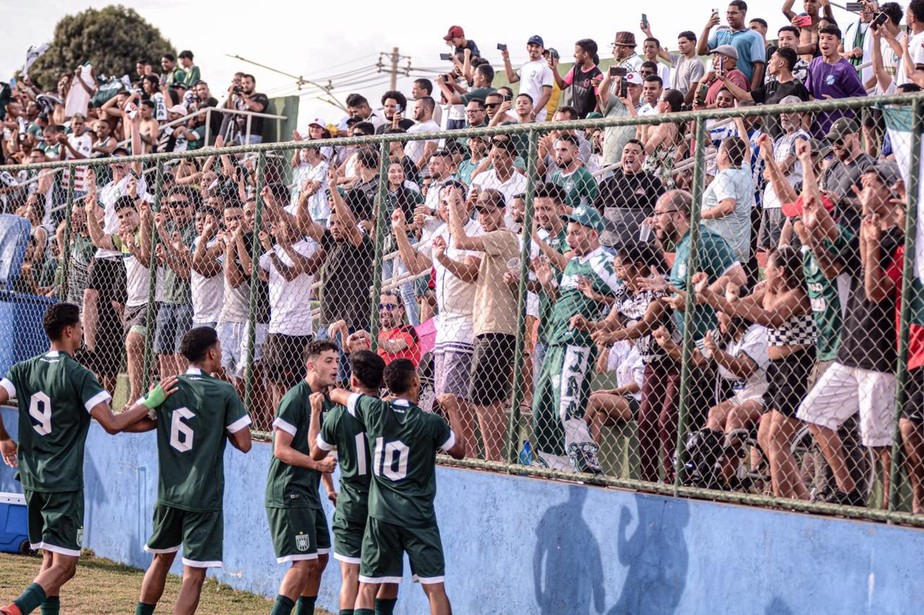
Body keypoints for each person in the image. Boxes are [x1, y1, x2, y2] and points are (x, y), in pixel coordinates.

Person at [0, 303, 177, 615]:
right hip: (63, 481)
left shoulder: (23, 368)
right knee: (65, 566)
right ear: (69, 331)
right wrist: (152, 400)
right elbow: (112, 423)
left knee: (50, 559)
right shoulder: (79, 374)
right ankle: (15, 610)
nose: (83, 333)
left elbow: (116, 422)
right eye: (80, 328)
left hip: (31, 477)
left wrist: (3, 438)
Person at [325, 359, 466, 615]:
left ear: (386, 386)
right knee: (434, 589)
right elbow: (459, 450)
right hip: (418, 517)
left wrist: (337, 392)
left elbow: (340, 394)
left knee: (367, 586)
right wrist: (454, 411)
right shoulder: (430, 422)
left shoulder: (374, 410)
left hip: (381, 515)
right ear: (415, 382)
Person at [134, 326, 252, 615]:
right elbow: (245, 443)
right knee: (194, 574)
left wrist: (154, 410)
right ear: (211, 353)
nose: (222, 352)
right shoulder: (224, 391)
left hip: (169, 493)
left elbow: (133, 422)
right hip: (203, 495)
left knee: (160, 560)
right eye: (220, 348)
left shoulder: (168, 386)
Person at [695, 247, 816, 500]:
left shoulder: (797, 295)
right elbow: (734, 310)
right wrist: (707, 294)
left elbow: (772, 319)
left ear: (781, 271)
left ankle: (780, 500)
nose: (765, 272)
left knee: (776, 438)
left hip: (797, 368)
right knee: (764, 436)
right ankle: (803, 497)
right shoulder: (766, 293)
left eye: (768, 268)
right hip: (778, 372)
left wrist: (736, 302)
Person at [308, 351, 400, 615]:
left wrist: (316, 414)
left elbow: (315, 452)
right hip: (383, 503)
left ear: (354, 379)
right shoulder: (389, 412)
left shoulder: (337, 416)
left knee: (351, 577)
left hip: (351, 502)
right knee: (383, 577)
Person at [532, 205, 622, 473]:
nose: (569, 239)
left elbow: (627, 296)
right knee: (542, 404)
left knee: (567, 404)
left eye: (576, 233)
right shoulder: (573, 262)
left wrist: (599, 303)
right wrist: (548, 283)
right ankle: (556, 463)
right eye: (569, 233)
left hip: (577, 342)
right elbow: (564, 299)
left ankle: (586, 463)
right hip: (555, 339)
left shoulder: (605, 262)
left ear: (593, 234)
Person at [264, 340, 340, 615]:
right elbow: (281, 450)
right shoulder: (295, 398)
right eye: (328, 361)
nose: (335, 366)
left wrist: (329, 488)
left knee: (319, 559)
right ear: (311, 365)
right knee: (304, 563)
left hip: (309, 493)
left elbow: (318, 452)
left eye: (337, 360)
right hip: (288, 491)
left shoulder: (327, 402)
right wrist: (317, 468)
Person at [447, 187, 520, 462]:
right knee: (486, 396)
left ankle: (493, 458)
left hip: (497, 326)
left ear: (502, 211)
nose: (485, 215)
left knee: (483, 396)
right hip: (490, 325)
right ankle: (493, 457)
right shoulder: (499, 238)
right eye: (481, 211)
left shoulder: (502, 236)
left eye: (490, 210)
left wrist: (453, 205)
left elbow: (460, 240)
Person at [698, 1, 767, 89]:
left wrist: (751, 93)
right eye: (728, 13)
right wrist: (707, 28)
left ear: (743, 14)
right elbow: (701, 51)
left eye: (733, 13)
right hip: (717, 85)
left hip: (739, 85)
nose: (729, 16)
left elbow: (759, 66)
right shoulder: (719, 33)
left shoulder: (754, 36)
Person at [501, 35, 554, 121]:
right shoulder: (525, 65)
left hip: (536, 115)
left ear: (542, 49)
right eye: (531, 46)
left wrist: (534, 112)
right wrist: (506, 58)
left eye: (537, 46)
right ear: (527, 48)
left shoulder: (546, 66)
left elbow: (547, 93)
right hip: (521, 112)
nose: (533, 49)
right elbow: (511, 78)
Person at [549, 39, 603, 118]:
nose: (574, 55)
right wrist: (554, 69)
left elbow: (599, 102)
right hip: (576, 119)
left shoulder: (597, 75)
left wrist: (591, 121)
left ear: (585, 54)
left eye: (577, 52)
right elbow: (562, 85)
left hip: (588, 122)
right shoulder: (576, 68)